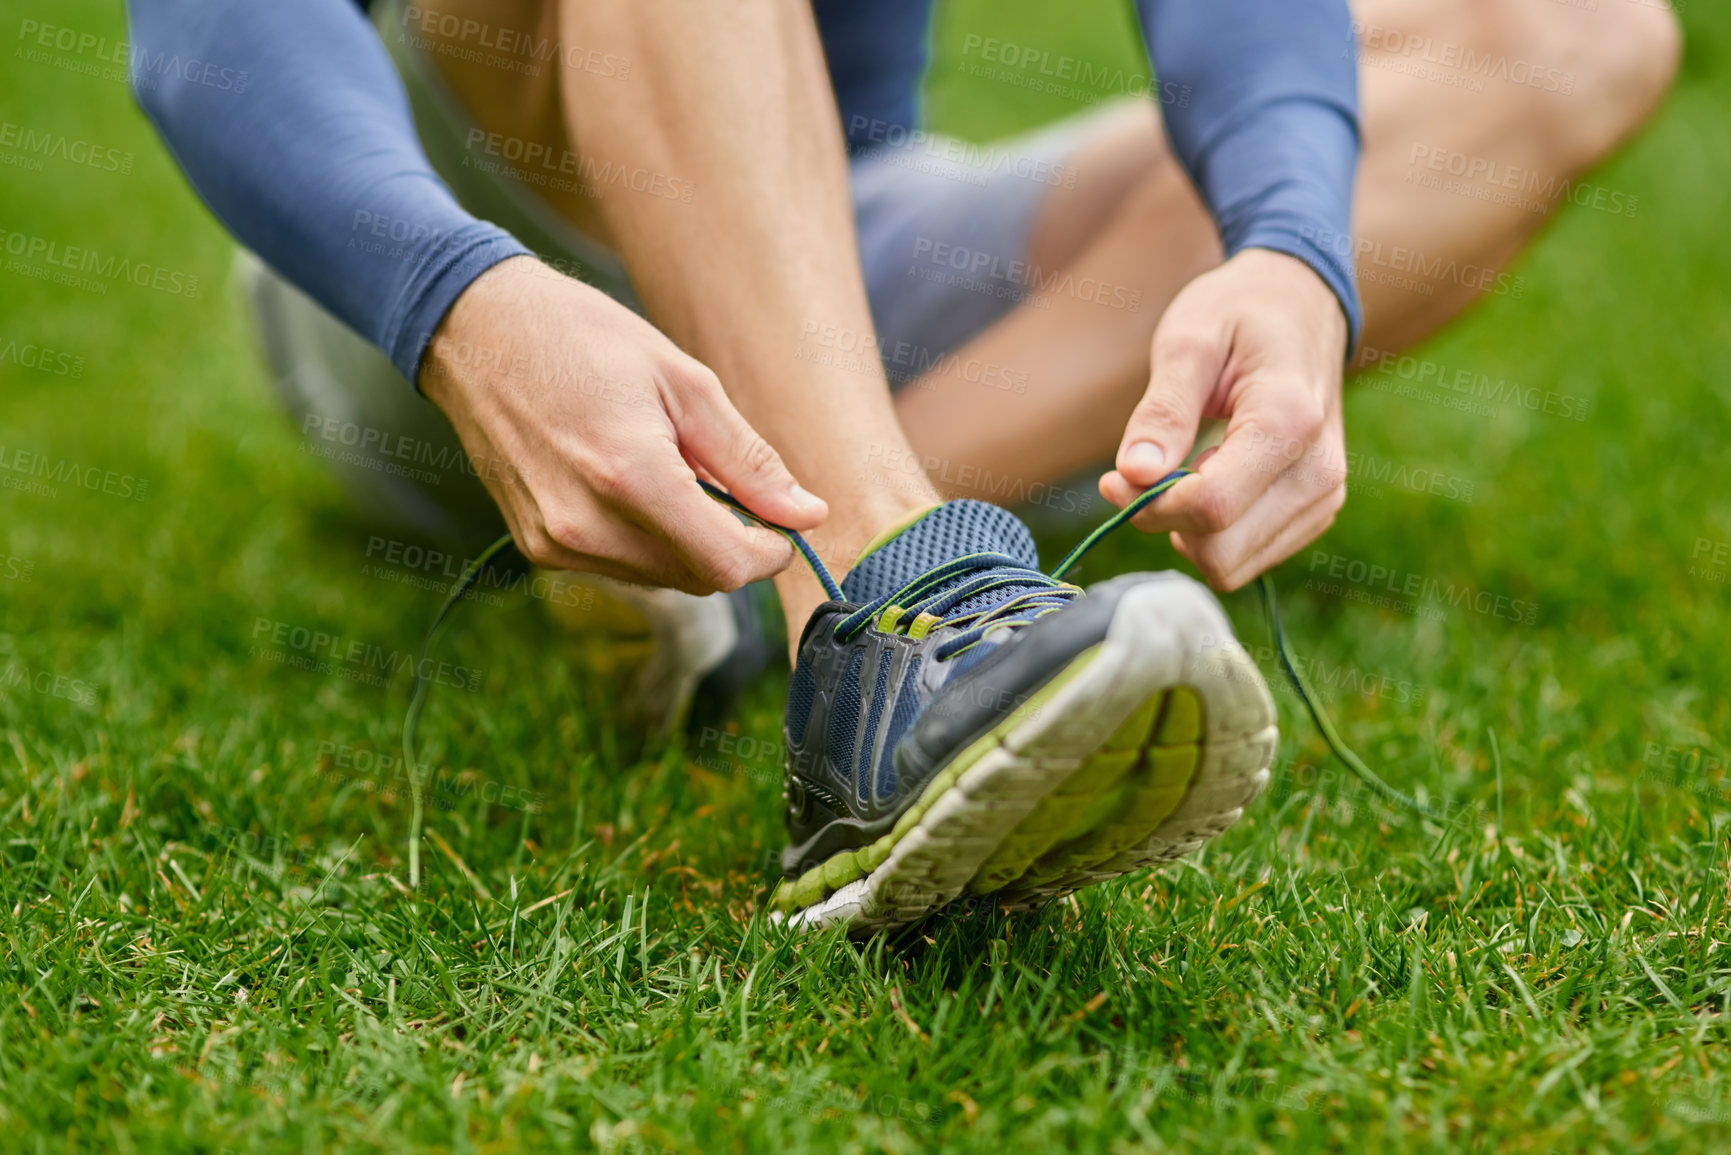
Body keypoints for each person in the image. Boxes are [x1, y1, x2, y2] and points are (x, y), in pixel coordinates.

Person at [127, 0, 1679, 931]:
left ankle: (781, 558)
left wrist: (1286, 240)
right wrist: (455, 303)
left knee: (1575, 33)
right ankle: (871, 613)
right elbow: (205, 31)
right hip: (462, 258)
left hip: (834, 238)